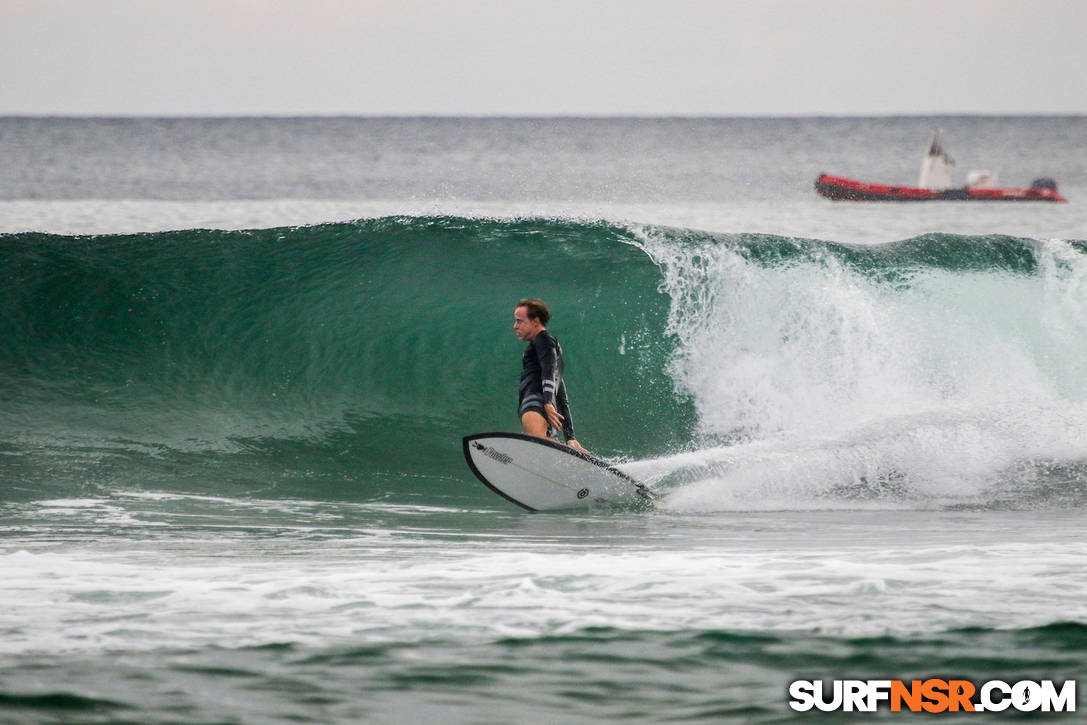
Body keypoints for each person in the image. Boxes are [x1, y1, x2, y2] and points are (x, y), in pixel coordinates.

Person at [512, 298, 584, 451]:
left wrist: (547, 403)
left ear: (535, 321)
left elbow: (548, 371)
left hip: (535, 404)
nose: (515, 326)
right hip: (547, 409)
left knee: (538, 453)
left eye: (519, 321)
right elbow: (560, 393)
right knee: (548, 454)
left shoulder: (544, 340)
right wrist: (570, 436)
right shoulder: (551, 346)